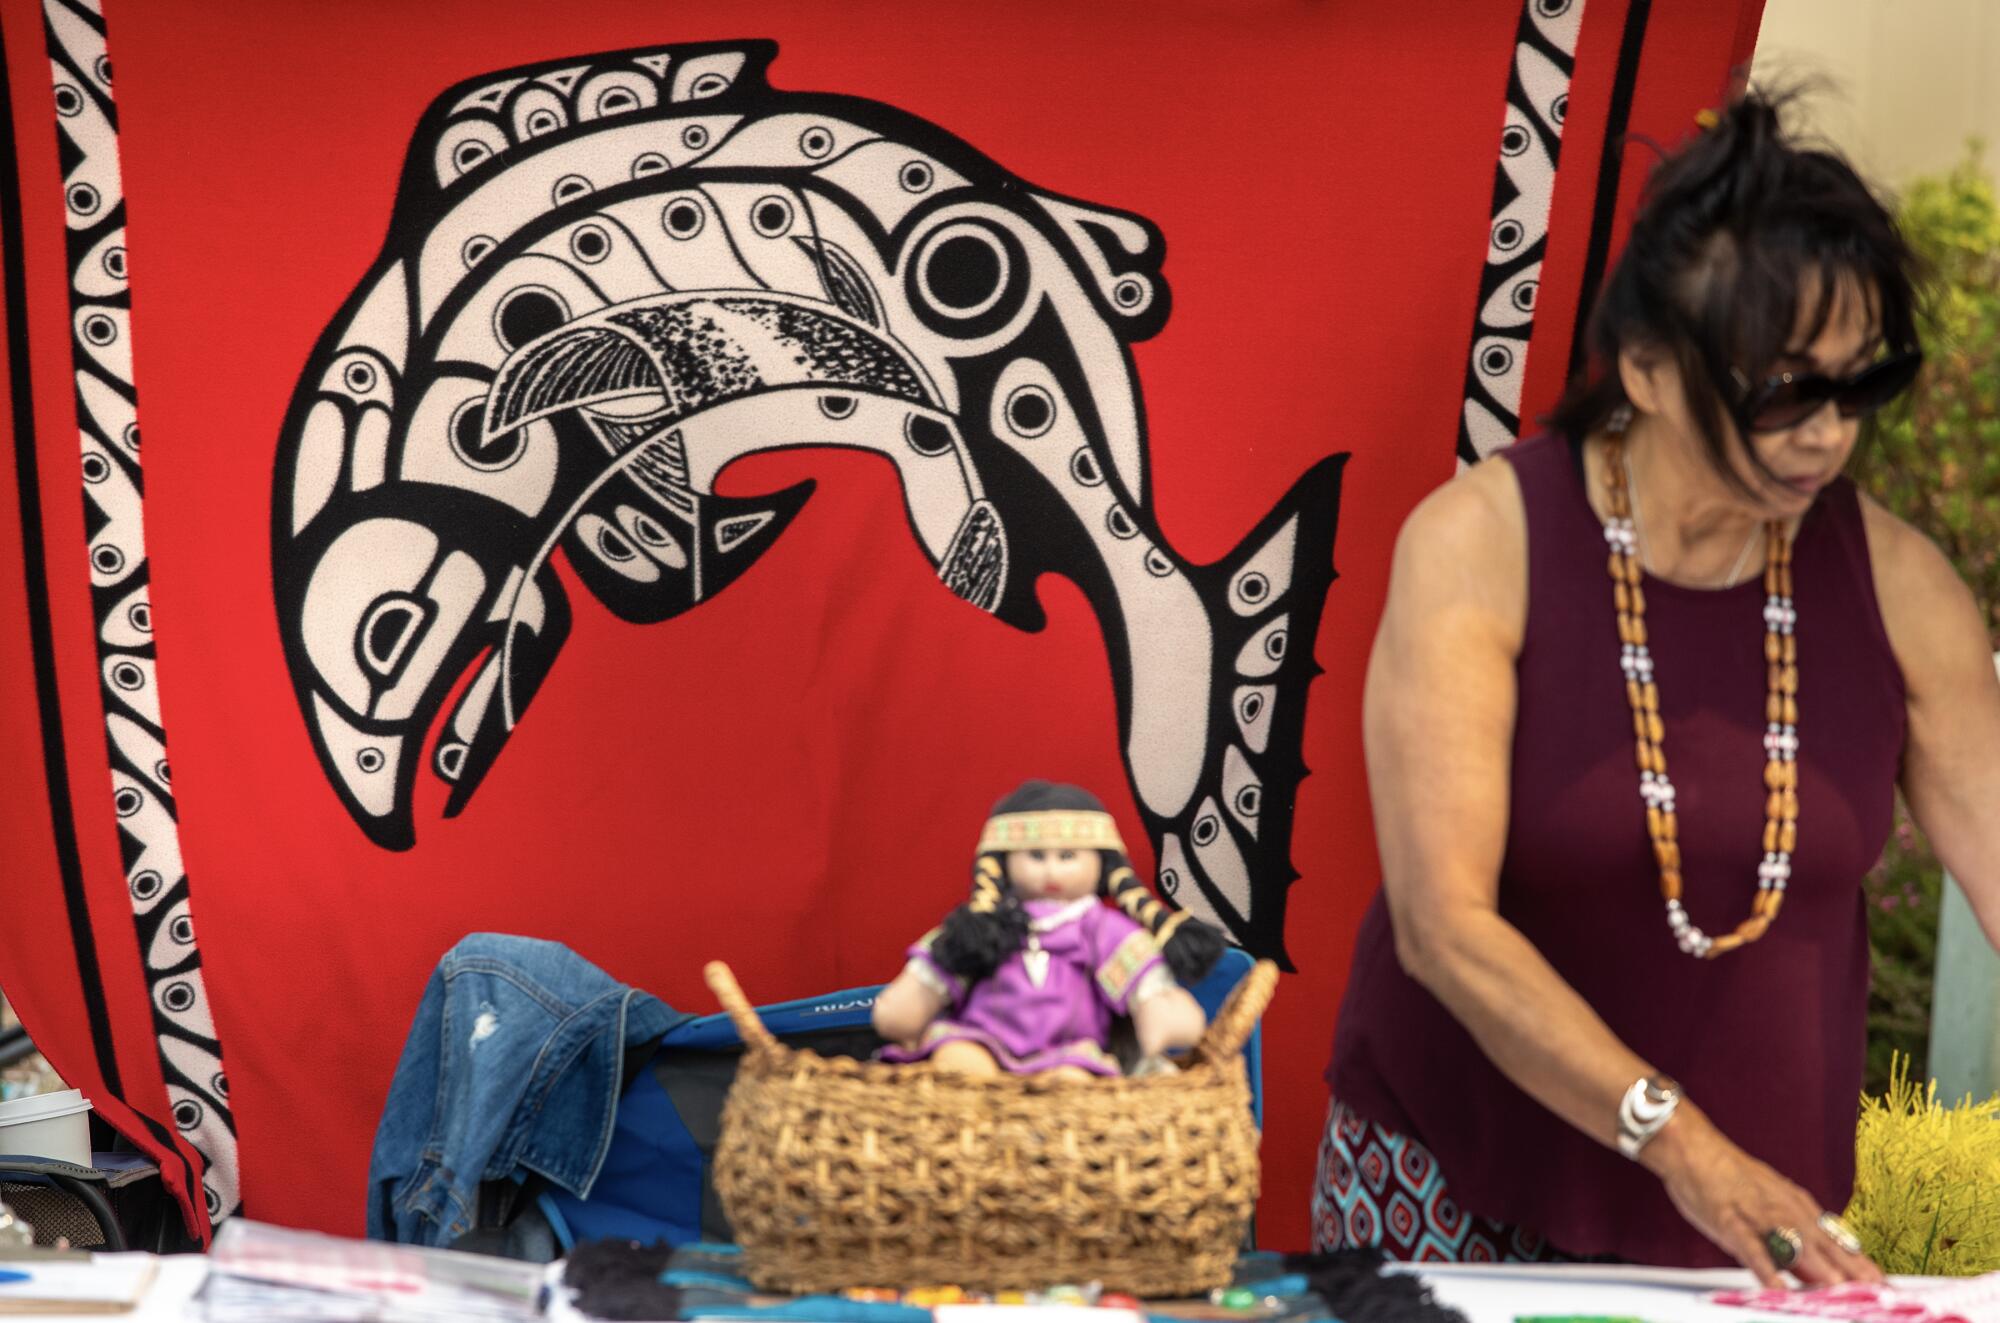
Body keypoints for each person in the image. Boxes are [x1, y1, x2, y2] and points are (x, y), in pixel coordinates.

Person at [1321, 90, 2000, 1278]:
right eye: (1782, 390)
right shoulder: (1481, 543)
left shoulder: (1899, 589)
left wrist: (1716, 1174)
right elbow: (1442, 927)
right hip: (1454, 1186)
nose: (1826, 434)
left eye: (1857, 386)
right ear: (1641, 364)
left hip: (1753, 1228)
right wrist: (1678, 1142)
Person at [872, 779, 1223, 1078]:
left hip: (1068, 1052)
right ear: (1004, 861)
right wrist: (907, 1005)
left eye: (1067, 856)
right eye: (1036, 857)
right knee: (956, 1063)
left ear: (1101, 862)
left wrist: (1157, 1009)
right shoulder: (985, 925)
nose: (1051, 871)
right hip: (983, 1041)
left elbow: (1139, 976)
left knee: (1071, 1083)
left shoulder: (1099, 929)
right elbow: (939, 968)